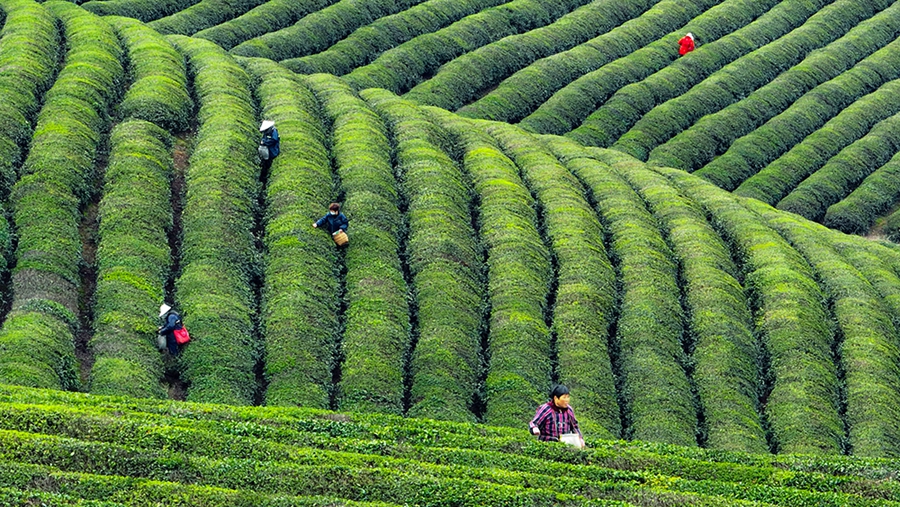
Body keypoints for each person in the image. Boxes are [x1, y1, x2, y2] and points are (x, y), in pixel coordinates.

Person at [529, 384, 584, 449]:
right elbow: (534, 423)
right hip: (547, 445)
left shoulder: (569, 410)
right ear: (556, 398)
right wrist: (535, 429)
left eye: (568, 397)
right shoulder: (546, 408)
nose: (567, 400)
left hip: (564, 446)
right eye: (564, 397)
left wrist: (580, 438)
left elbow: (575, 426)